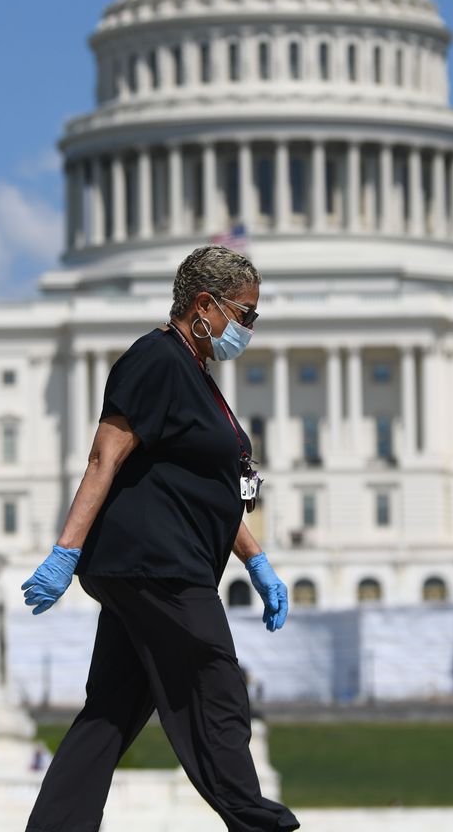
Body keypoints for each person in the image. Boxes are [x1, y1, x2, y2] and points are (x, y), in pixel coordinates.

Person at [20, 244, 300, 832]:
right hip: (158, 567)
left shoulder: (193, 373)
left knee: (114, 709)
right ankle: (260, 825)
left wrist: (257, 561)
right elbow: (105, 455)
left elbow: (208, 490)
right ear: (205, 305)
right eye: (244, 315)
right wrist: (64, 551)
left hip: (159, 565)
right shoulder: (156, 359)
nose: (248, 328)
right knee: (215, 684)